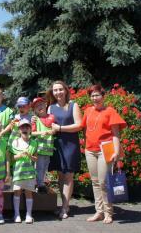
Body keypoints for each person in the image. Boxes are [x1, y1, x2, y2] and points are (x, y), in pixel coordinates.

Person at [82, 84, 126, 224]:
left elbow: (115, 133)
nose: (95, 98)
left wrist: (116, 151)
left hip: (104, 150)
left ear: (103, 96)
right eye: (92, 95)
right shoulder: (88, 111)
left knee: (104, 182)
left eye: (97, 95)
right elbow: (84, 129)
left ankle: (108, 212)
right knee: (95, 182)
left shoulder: (110, 111)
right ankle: (99, 211)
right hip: (90, 150)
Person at [47, 80, 82, 219]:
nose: (58, 92)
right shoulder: (51, 108)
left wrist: (60, 128)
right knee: (60, 176)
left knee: (68, 176)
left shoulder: (73, 105)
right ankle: (63, 205)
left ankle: (65, 207)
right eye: (55, 90)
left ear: (66, 90)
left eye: (60, 89)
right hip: (57, 145)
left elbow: (79, 125)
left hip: (70, 144)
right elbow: (48, 125)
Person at [10, 119, 38, 224]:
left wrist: (30, 156)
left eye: (27, 127)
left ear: (30, 129)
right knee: (17, 192)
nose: (25, 129)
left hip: (30, 174)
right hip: (18, 173)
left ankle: (29, 214)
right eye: (22, 127)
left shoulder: (34, 143)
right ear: (19, 130)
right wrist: (20, 155)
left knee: (28, 193)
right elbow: (12, 158)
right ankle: (16, 214)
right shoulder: (15, 142)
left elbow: (36, 158)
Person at [31, 97, 56, 193]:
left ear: (46, 105)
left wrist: (52, 131)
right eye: (37, 106)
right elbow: (32, 133)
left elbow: (54, 130)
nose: (39, 107)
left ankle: (41, 183)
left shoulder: (52, 117)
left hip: (48, 148)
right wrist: (41, 133)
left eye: (41, 104)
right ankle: (39, 184)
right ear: (34, 109)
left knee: (45, 166)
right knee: (39, 166)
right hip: (39, 148)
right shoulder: (35, 119)